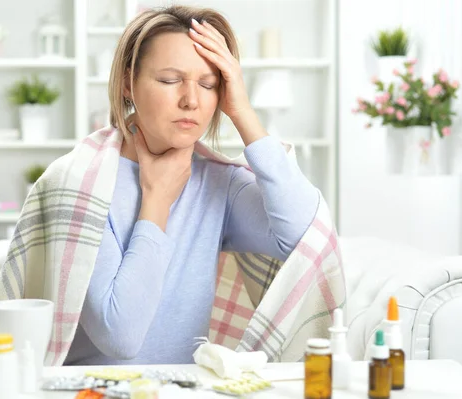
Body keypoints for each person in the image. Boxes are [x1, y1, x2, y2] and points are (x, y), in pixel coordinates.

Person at [63, 5, 320, 366]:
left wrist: (243, 112)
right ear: (127, 83)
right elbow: (119, 337)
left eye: (209, 84)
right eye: (170, 80)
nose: (191, 100)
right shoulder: (82, 183)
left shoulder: (218, 182)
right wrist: (157, 200)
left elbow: (306, 236)